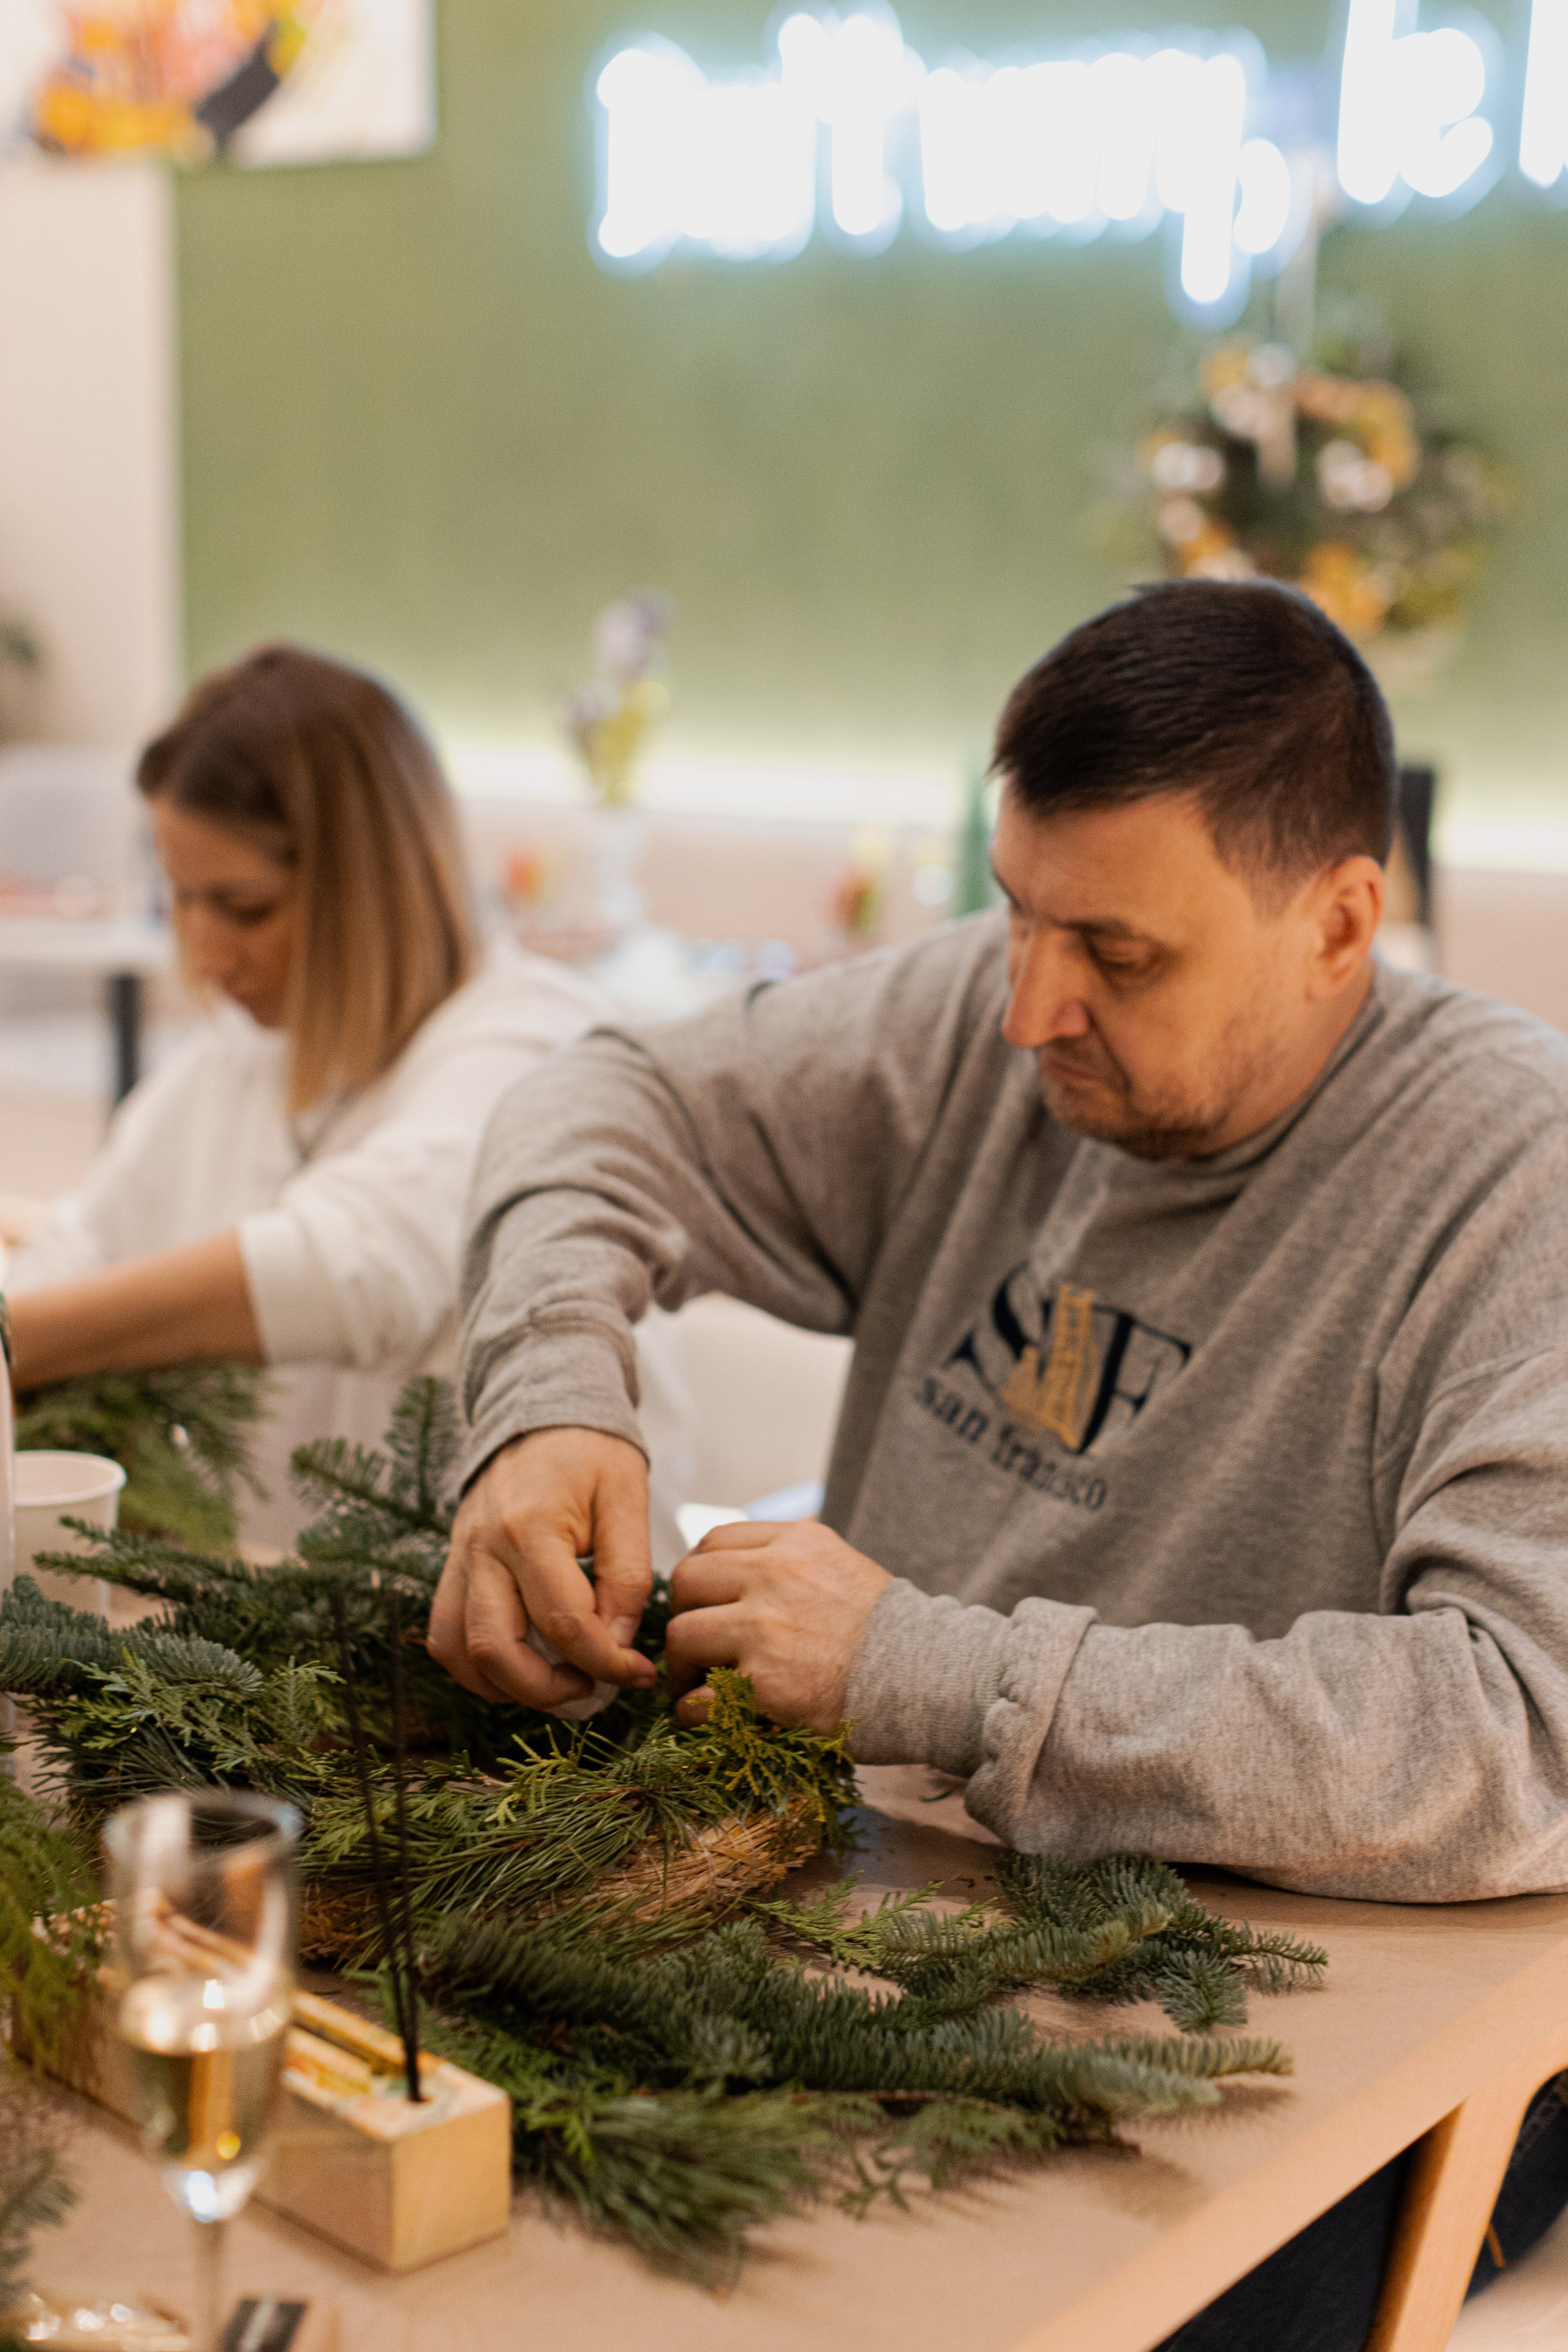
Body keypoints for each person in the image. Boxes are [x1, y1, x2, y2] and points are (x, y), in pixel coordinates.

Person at [431, 580, 1568, 2346]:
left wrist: (929, 1670)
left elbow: (1518, 1732)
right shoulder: (1003, 1005)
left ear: (1344, 922)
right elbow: (597, 1103)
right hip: (889, 1922)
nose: (1031, 1006)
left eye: (1120, 956)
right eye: (1018, 912)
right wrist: (554, 1387)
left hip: (1300, 2040)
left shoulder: (1521, 1184)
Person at [4, 643, 692, 1555]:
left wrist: (15, 1339)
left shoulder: (539, 1045)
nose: (206, 956)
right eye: (180, 901)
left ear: (371, 885)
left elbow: (356, 1265)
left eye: (245, 908)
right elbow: (84, 1246)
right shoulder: (234, 1064)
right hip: (297, 1651)